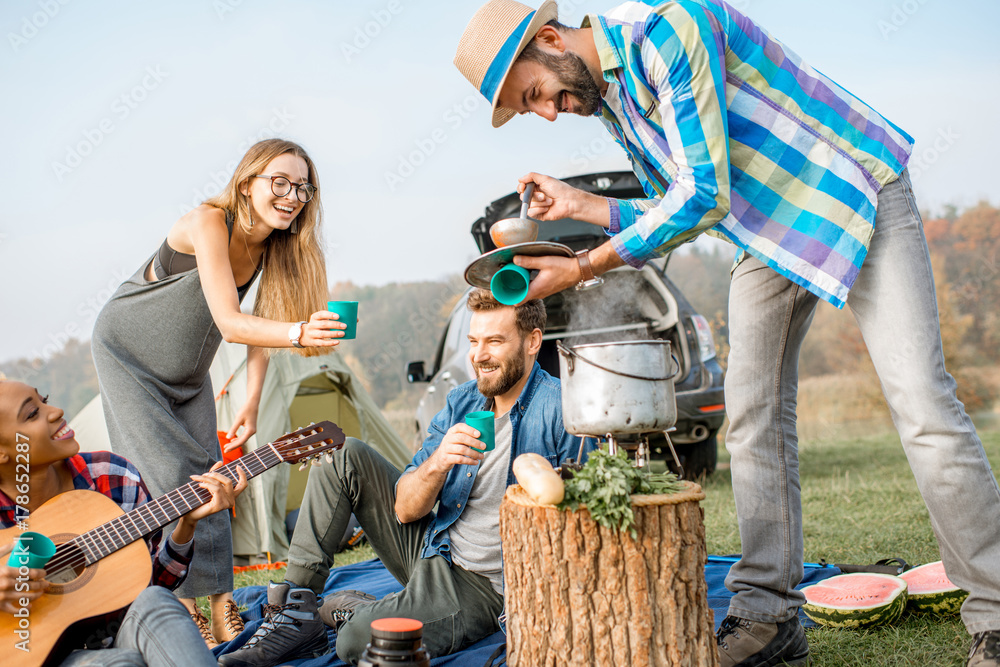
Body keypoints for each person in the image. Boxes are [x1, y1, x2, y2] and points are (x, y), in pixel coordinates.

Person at [453, 2, 1000, 666]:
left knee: (922, 406)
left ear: (549, 39)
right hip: (767, 235)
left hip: (850, 189)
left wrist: (582, 267)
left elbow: (704, 194)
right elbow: (669, 199)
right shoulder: (613, 102)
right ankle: (769, 615)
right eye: (529, 108)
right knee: (750, 413)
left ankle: (994, 612)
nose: (546, 112)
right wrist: (579, 204)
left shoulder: (668, 29)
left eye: (534, 93)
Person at [217, 290, 587, 666]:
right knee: (343, 455)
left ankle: (362, 611)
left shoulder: (563, 410)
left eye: (495, 341)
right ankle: (293, 615)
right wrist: (440, 461)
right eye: (474, 341)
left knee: (358, 641)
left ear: (532, 342)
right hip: (434, 546)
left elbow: (583, 527)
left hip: (483, 587)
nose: (478, 355)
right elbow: (406, 510)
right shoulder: (463, 401)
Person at [91, 138, 343, 647]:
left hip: (188, 372)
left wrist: (250, 403)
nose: (292, 195)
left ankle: (222, 599)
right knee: (170, 479)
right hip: (129, 358)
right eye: (280, 182)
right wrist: (297, 332)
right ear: (247, 182)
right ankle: (184, 604)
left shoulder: (272, 247)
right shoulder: (209, 222)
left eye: (302, 187)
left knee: (215, 472)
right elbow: (230, 323)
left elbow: (257, 330)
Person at [0, 380, 247, 666]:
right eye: (32, 414)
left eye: (44, 399)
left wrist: (186, 525)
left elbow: (151, 581)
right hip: (33, 655)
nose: (55, 411)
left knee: (153, 600)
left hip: (118, 631)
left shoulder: (112, 477)